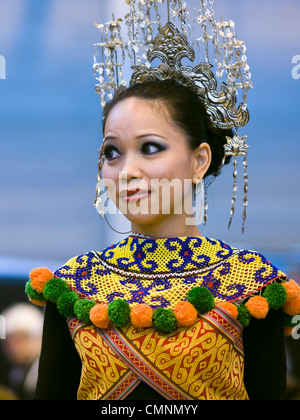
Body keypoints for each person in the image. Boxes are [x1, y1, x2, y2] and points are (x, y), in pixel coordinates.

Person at [25, 1, 300, 400]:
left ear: (198, 160)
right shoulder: (74, 284)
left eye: (150, 148)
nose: (126, 171)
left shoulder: (249, 282)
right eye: (112, 152)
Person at [0, 303, 43, 400]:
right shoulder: (15, 375)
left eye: (20, 339)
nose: (12, 347)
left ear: (39, 338)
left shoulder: (47, 376)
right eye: (7, 341)